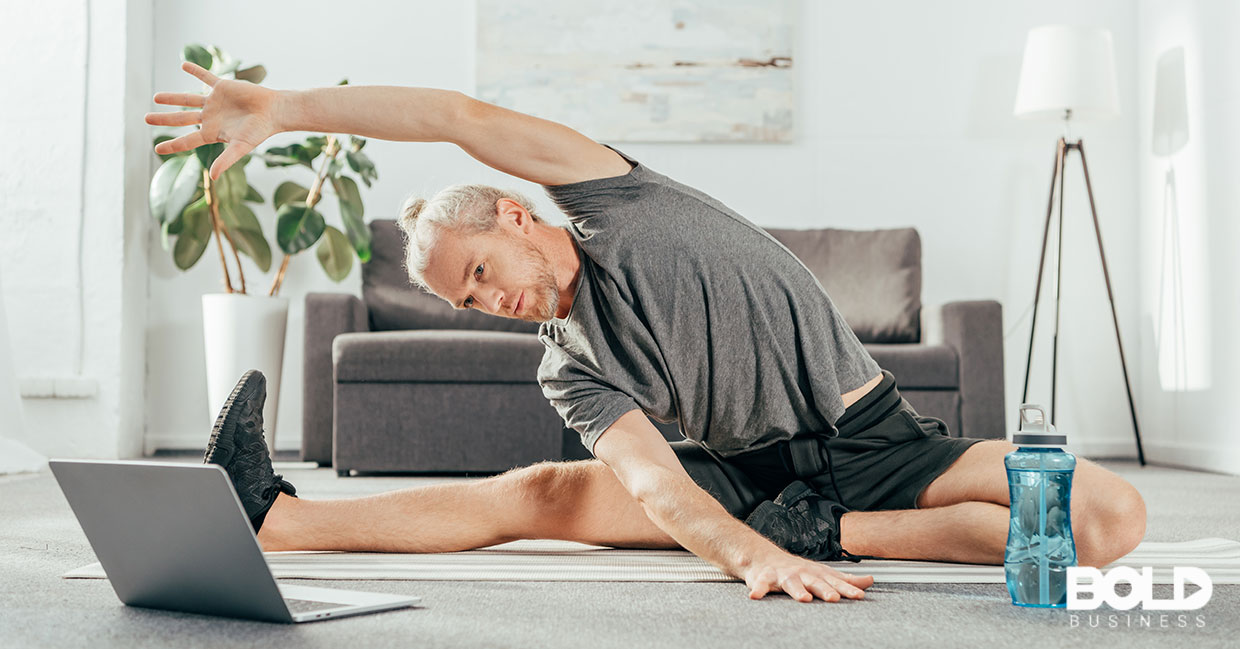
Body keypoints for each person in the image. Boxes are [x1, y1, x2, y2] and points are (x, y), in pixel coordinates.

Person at [147, 62, 1148, 604]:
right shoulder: (570, 368)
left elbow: (455, 112)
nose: (485, 303)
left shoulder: (618, 200)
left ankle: (837, 529)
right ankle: (277, 515)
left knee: (1101, 522)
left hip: (880, 447)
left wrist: (288, 107)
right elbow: (656, 483)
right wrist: (750, 552)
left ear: (512, 215)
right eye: (465, 303)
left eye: (481, 275)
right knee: (537, 493)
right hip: (742, 476)